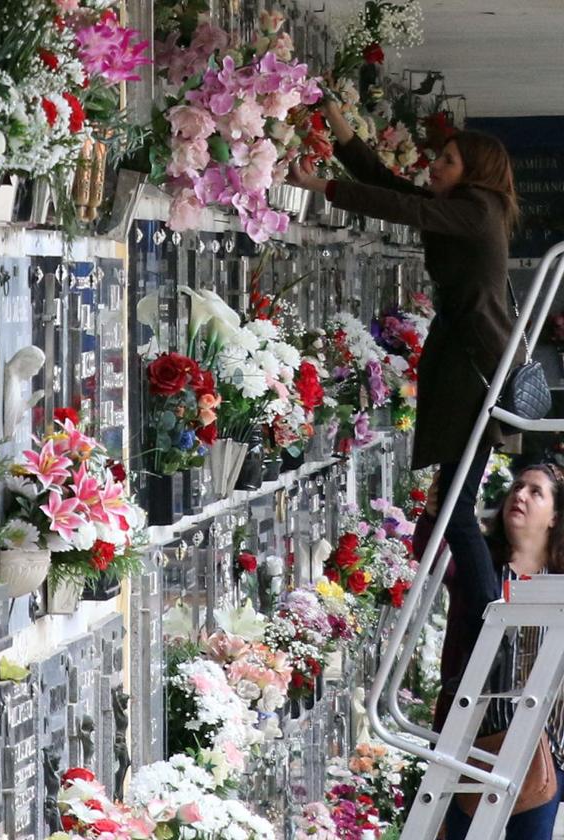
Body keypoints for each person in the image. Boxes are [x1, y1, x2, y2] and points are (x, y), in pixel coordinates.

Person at [290, 102, 522, 625]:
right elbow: (393, 190)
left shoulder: (477, 209)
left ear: (476, 173)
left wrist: (321, 187)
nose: (435, 166)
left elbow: (406, 210)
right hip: (469, 362)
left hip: (475, 370)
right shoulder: (468, 207)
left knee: (455, 507)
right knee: (452, 502)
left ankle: (489, 619)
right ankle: (487, 614)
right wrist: (342, 129)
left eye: (449, 160)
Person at [424, 464, 564, 839]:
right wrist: (434, 514)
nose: (519, 495)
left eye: (536, 492)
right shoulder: (482, 565)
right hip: (476, 733)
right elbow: (432, 554)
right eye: (517, 487)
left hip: (547, 744)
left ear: (554, 517)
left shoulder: (559, 581)